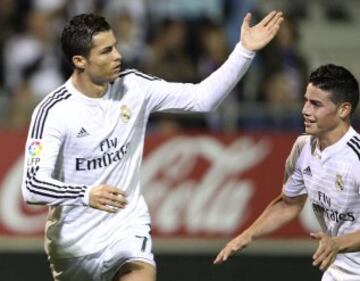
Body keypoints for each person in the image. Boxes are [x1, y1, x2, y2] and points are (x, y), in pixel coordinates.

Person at [21, 11, 283, 281]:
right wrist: (86, 194)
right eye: (106, 51)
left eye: (116, 46)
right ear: (80, 61)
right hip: (74, 245)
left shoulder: (134, 87)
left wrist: (244, 51)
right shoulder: (53, 111)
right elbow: (31, 186)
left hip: (126, 227)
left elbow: (202, 99)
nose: (117, 56)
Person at [214, 64, 360, 281]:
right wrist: (247, 235)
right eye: (306, 100)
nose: (305, 110)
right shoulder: (303, 147)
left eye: (316, 104)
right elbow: (289, 204)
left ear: (343, 110)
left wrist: (337, 243)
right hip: (339, 271)